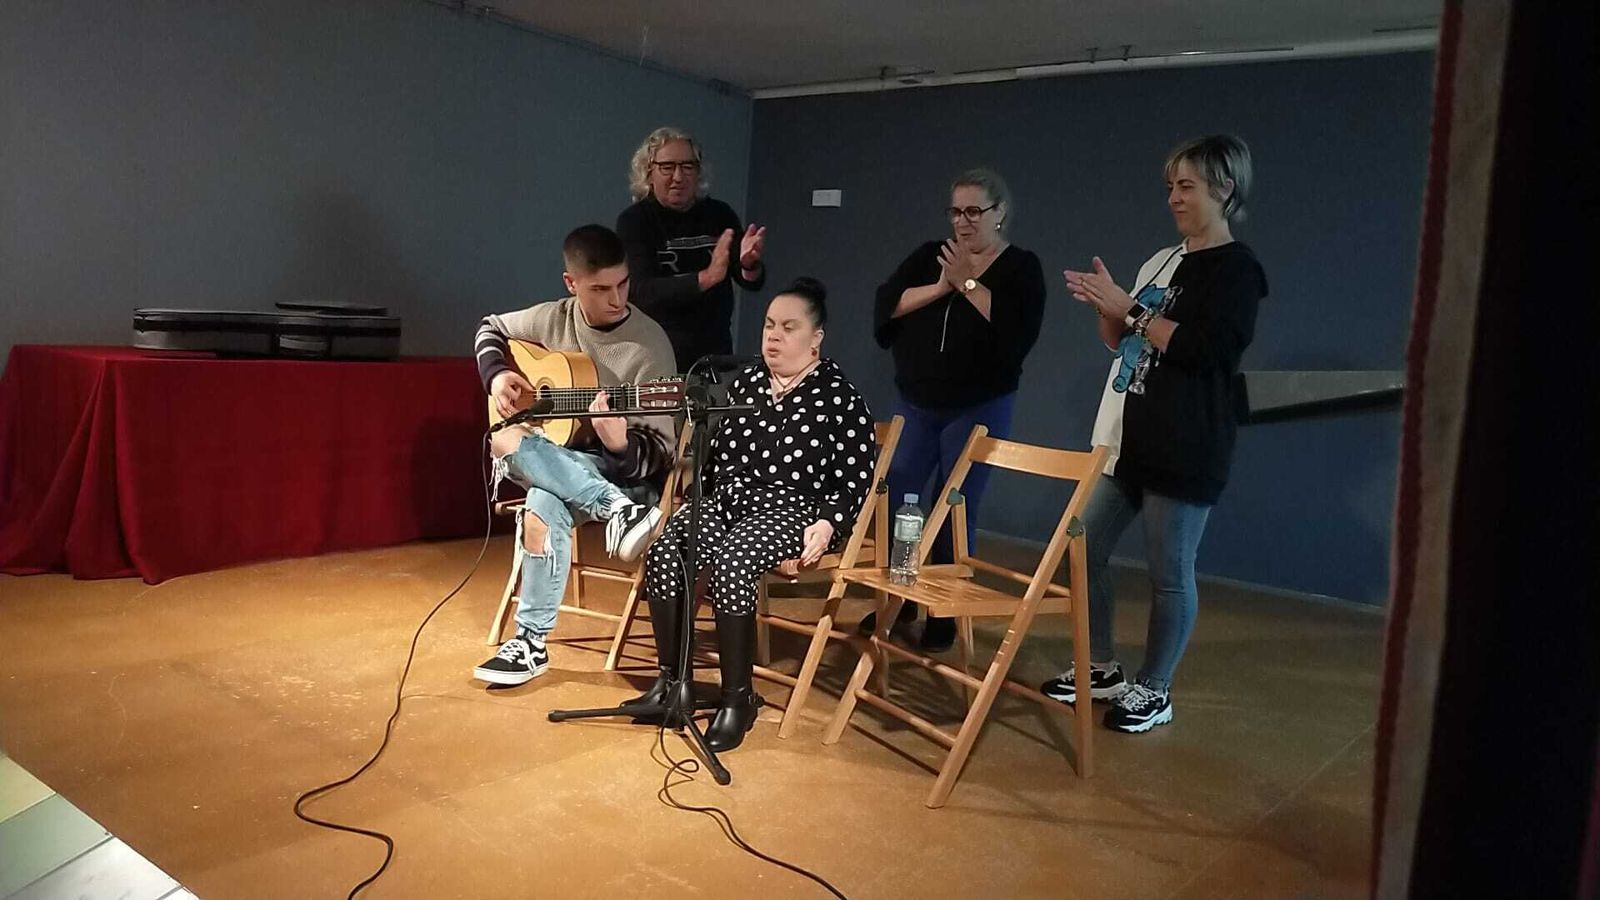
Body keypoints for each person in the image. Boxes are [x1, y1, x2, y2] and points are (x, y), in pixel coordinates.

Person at [1044, 134, 1268, 733]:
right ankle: (1100, 668)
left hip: (1187, 443)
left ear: (1224, 189)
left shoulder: (1238, 271)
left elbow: (1204, 350)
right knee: (1079, 546)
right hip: (1130, 440)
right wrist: (1107, 310)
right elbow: (1122, 342)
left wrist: (1131, 309)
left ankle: (1155, 687)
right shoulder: (1161, 261)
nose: (1173, 196)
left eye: (1187, 185)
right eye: (1170, 186)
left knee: (1169, 571)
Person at [625, 278, 875, 751]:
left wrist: (828, 524)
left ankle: (737, 700)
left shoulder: (839, 397)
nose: (773, 336)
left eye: (788, 327)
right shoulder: (749, 382)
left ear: (816, 337)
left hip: (791, 512)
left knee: (732, 562)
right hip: (729, 502)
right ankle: (672, 683)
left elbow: (853, 479)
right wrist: (698, 499)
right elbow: (716, 455)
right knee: (665, 552)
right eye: (768, 325)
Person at [470, 224, 679, 687]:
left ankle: (529, 643)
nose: (617, 299)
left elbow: (662, 455)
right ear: (572, 285)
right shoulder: (553, 318)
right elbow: (490, 326)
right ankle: (616, 513)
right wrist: (499, 376)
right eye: (601, 289)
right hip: (571, 465)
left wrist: (620, 443)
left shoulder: (650, 345)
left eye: (623, 284)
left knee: (543, 502)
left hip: (625, 473)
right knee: (502, 438)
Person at [866, 168, 1047, 651]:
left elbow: (1015, 334)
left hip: (977, 405)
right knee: (898, 492)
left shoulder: (1021, 267)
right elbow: (888, 304)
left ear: (1000, 213)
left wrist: (968, 282)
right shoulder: (932, 256)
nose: (963, 222)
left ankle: (942, 608)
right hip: (918, 402)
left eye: (974, 211)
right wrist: (943, 286)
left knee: (953, 504)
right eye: (956, 211)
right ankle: (899, 595)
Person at [615, 126, 768, 371]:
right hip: (657, 354)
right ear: (649, 172)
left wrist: (749, 265)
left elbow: (750, 280)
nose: (678, 176)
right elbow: (641, 291)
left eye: (688, 167)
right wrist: (705, 278)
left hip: (716, 352)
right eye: (668, 167)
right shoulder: (634, 221)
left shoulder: (720, 213)